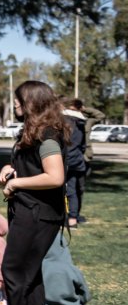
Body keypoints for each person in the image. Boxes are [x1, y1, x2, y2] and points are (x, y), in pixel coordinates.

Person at [0, 81, 68, 305]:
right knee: (31, 271)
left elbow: (55, 176)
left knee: (13, 270)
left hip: (40, 214)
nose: (14, 103)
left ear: (33, 101)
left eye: (19, 99)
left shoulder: (48, 135)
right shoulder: (32, 131)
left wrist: (17, 184)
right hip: (26, 211)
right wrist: (10, 168)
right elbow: (31, 166)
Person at [62, 98, 87, 228]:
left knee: (67, 190)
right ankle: (72, 218)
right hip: (77, 160)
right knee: (72, 189)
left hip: (66, 159)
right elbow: (83, 145)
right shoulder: (81, 123)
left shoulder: (63, 122)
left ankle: (69, 218)